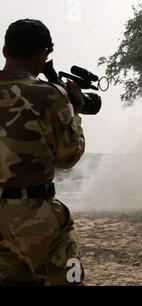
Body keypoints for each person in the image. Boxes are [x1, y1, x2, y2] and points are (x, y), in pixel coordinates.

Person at [0, 19, 85, 285]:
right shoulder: (51, 96)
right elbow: (68, 156)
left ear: (4, 51)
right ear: (42, 55)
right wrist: (75, 113)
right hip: (39, 222)